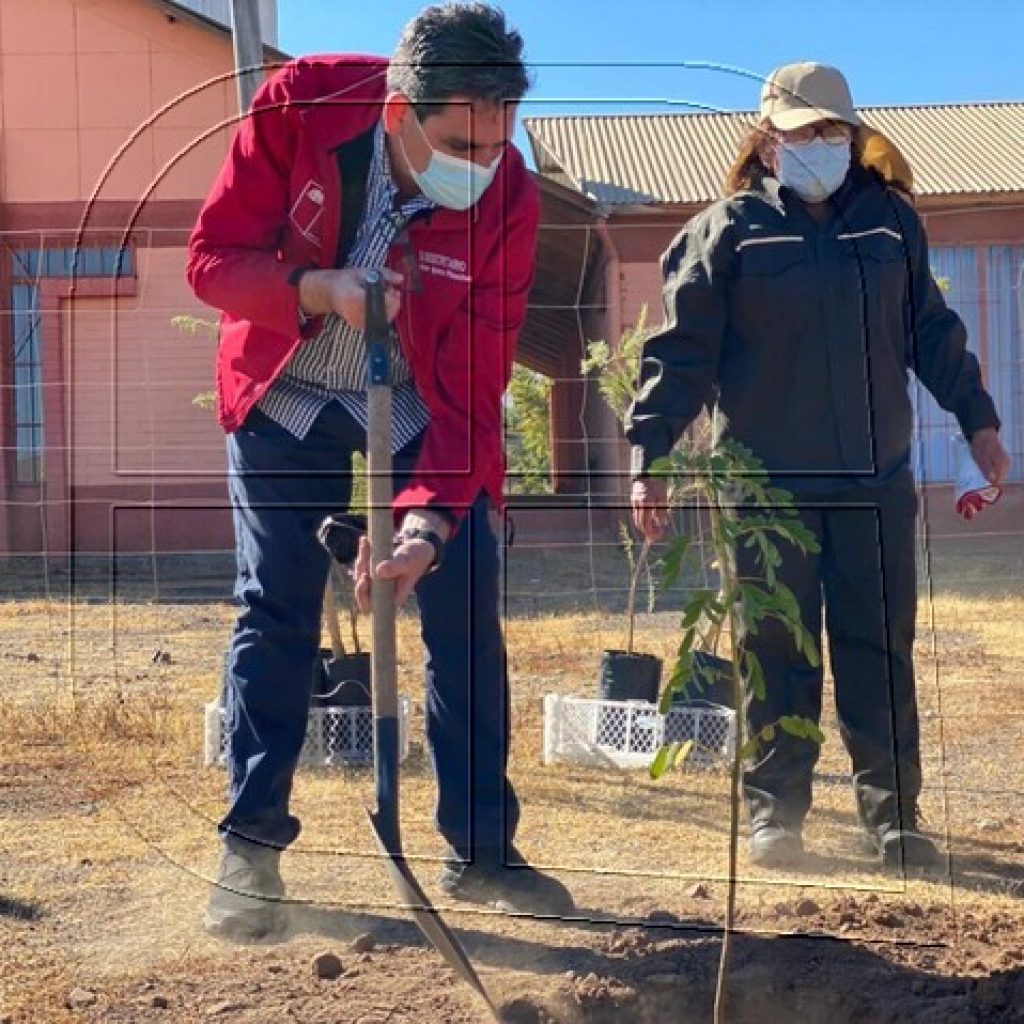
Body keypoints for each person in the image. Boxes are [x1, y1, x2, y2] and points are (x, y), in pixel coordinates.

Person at [187, 3, 574, 941]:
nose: (480, 166)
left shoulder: (510, 196)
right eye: (460, 143)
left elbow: (479, 379)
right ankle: (252, 848)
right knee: (275, 604)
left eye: (498, 141)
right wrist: (316, 290)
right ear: (401, 110)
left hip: (416, 400)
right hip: (289, 384)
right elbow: (210, 262)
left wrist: (425, 527)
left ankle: (479, 848)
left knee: (464, 602)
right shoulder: (304, 106)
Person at [627, 63, 1011, 871]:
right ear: (768, 142)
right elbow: (680, 355)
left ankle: (895, 818)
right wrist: (649, 456)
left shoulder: (890, 227)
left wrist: (978, 422)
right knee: (774, 648)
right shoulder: (725, 233)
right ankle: (777, 816)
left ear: (852, 135)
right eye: (800, 132)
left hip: (875, 484)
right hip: (766, 489)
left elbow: (933, 334)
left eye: (831, 131)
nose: (817, 145)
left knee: (879, 647)